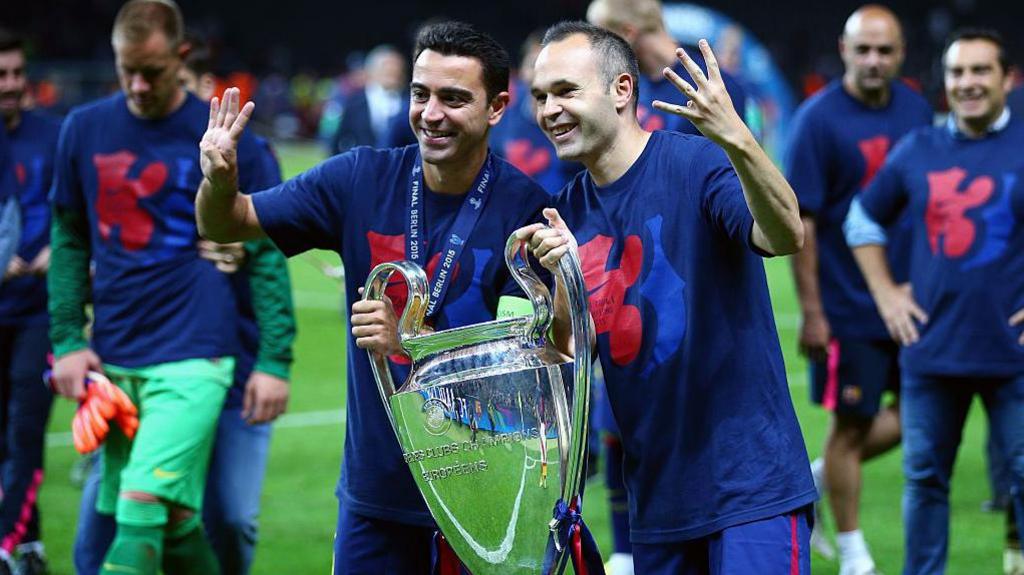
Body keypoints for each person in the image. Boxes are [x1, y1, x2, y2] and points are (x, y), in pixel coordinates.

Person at [194, 21, 550, 573]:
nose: (431, 113)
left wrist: (415, 342)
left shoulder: (525, 209)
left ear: (498, 107)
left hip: (486, 494)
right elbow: (231, 222)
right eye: (420, 93)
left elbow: (528, 379)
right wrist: (219, 182)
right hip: (375, 497)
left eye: (454, 99)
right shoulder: (360, 179)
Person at [520, 21, 814, 574]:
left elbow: (783, 236)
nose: (549, 110)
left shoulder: (696, 165)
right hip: (656, 507)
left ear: (622, 90)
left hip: (751, 490)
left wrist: (737, 138)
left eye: (566, 91)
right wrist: (561, 282)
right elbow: (564, 364)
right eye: (540, 97)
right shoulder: (565, 214)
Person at [47, 1, 286, 573]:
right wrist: (66, 339)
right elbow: (69, 239)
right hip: (117, 355)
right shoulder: (84, 128)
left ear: (181, 57)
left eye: (150, 71)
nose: (136, 84)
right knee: (173, 523)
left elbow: (267, 254)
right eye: (125, 68)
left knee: (140, 511)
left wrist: (275, 358)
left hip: (195, 353)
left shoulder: (223, 137)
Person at [844, 28, 1024, 575]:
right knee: (924, 482)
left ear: (1006, 79)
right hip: (931, 350)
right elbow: (861, 218)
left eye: (979, 71)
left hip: (1014, 355)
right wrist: (885, 293)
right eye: (956, 73)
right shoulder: (918, 149)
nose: (966, 83)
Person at [784, 6, 933, 574]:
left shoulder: (918, 111)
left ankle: (818, 479)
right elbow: (803, 224)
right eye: (863, 50)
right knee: (849, 426)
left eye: (885, 51)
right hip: (848, 306)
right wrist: (814, 312)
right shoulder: (816, 121)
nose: (874, 61)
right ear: (844, 51)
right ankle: (853, 553)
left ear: (900, 54)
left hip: (914, 297)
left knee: (922, 413)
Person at [0, 27, 60, 575]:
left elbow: (75, 212)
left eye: (18, 73)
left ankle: (4, 546)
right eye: (2, 76)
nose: (12, 85)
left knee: (25, 431)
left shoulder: (54, 134)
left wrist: (54, 252)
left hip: (40, 310)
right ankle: (29, 543)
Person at [586, 0, 747, 134]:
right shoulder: (624, 88)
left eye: (602, 40)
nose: (597, 52)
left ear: (628, 32)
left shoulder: (713, 86)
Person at [491, 30, 581, 195]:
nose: (541, 73)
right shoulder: (499, 117)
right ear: (521, 70)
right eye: (533, 64)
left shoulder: (579, 121)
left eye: (552, 66)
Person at [329, 45, 407, 155]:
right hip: (363, 168)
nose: (393, 72)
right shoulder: (353, 103)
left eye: (397, 69)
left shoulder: (409, 102)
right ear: (372, 71)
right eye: (387, 69)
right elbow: (337, 141)